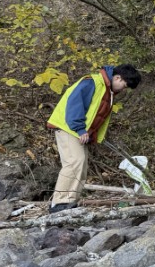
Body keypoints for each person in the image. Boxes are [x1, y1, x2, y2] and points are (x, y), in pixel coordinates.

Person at [47, 64, 142, 213]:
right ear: (117, 78)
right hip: (68, 128)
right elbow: (74, 104)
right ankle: (59, 203)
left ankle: (71, 201)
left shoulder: (107, 91)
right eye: (124, 85)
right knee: (74, 162)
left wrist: (93, 135)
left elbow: (96, 115)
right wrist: (80, 129)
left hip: (77, 131)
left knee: (82, 165)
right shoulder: (91, 82)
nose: (124, 89)